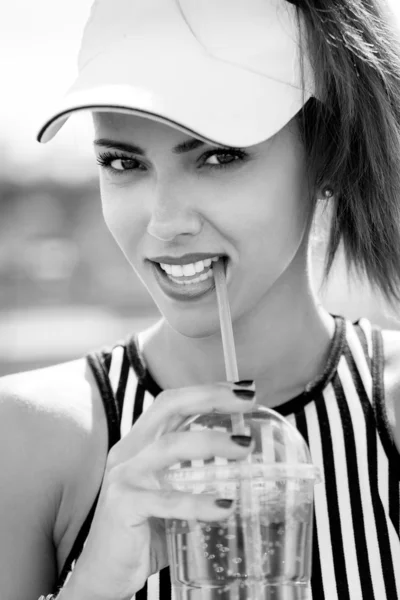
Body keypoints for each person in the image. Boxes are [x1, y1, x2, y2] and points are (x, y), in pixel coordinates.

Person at [2, 0, 400, 598]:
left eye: (218, 156)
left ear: (330, 155)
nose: (164, 222)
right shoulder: (26, 438)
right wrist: (99, 578)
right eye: (123, 162)